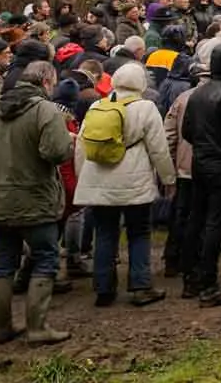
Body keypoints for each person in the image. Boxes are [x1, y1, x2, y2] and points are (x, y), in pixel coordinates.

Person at [0, 59, 76, 345]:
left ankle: (1, 327)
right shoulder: (45, 110)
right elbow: (56, 152)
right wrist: (70, 141)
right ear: (47, 82)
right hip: (35, 195)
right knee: (46, 258)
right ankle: (37, 327)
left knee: (5, 263)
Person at [73, 63, 175, 307]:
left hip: (98, 180)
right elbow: (159, 149)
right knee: (139, 232)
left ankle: (104, 288)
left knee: (105, 233)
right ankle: (140, 286)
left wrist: (82, 178)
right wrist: (168, 179)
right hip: (134, 180)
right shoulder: (146, 108)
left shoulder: (97, 106)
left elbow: (81, 146)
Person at [180, 41, 221, 306]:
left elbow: (187, 131)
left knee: (196, 218)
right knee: (214, 223)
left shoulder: (198, 93)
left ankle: (191, 278)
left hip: (200, 163)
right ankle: (209, 285)